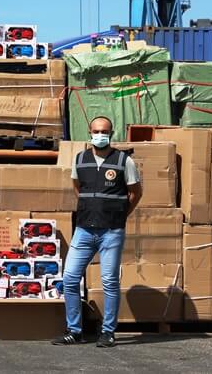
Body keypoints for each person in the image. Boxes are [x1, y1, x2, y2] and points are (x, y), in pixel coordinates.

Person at [53, 116, 143, 348]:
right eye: (96, 131)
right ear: (89, 132)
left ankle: (108, 332)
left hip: (111, 232)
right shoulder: (80, 159)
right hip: (83, 230)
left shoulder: (124, 161)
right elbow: (77, 188)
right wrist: (90, 207)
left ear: (111, 133)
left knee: (109, 281)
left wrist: (120, 214)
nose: (100, 135)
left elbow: (135, 193)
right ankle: (75, 331)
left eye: (104, 131)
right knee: (70, 279)